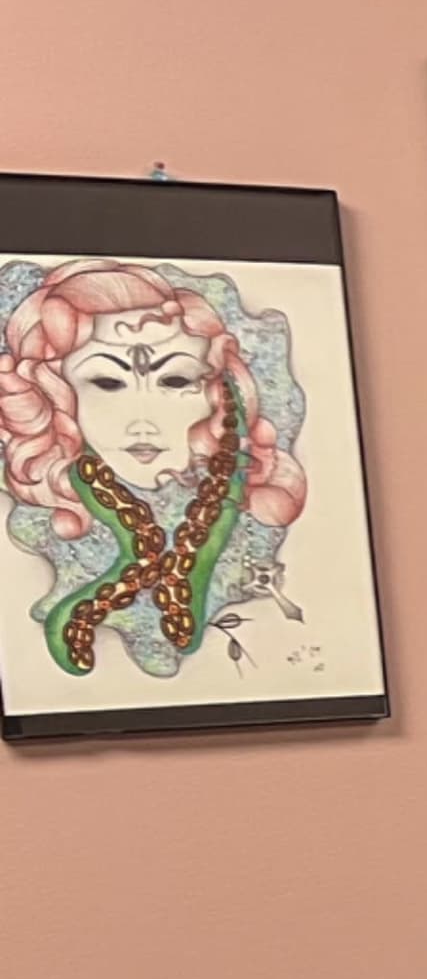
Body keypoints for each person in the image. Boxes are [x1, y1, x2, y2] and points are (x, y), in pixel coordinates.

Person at [0, 260, 309, 681]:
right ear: (56, 394)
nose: (142, 420)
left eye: (176, 381)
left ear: (220, 392)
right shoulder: (67, 488)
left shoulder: (240, 480)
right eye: (107, 383)